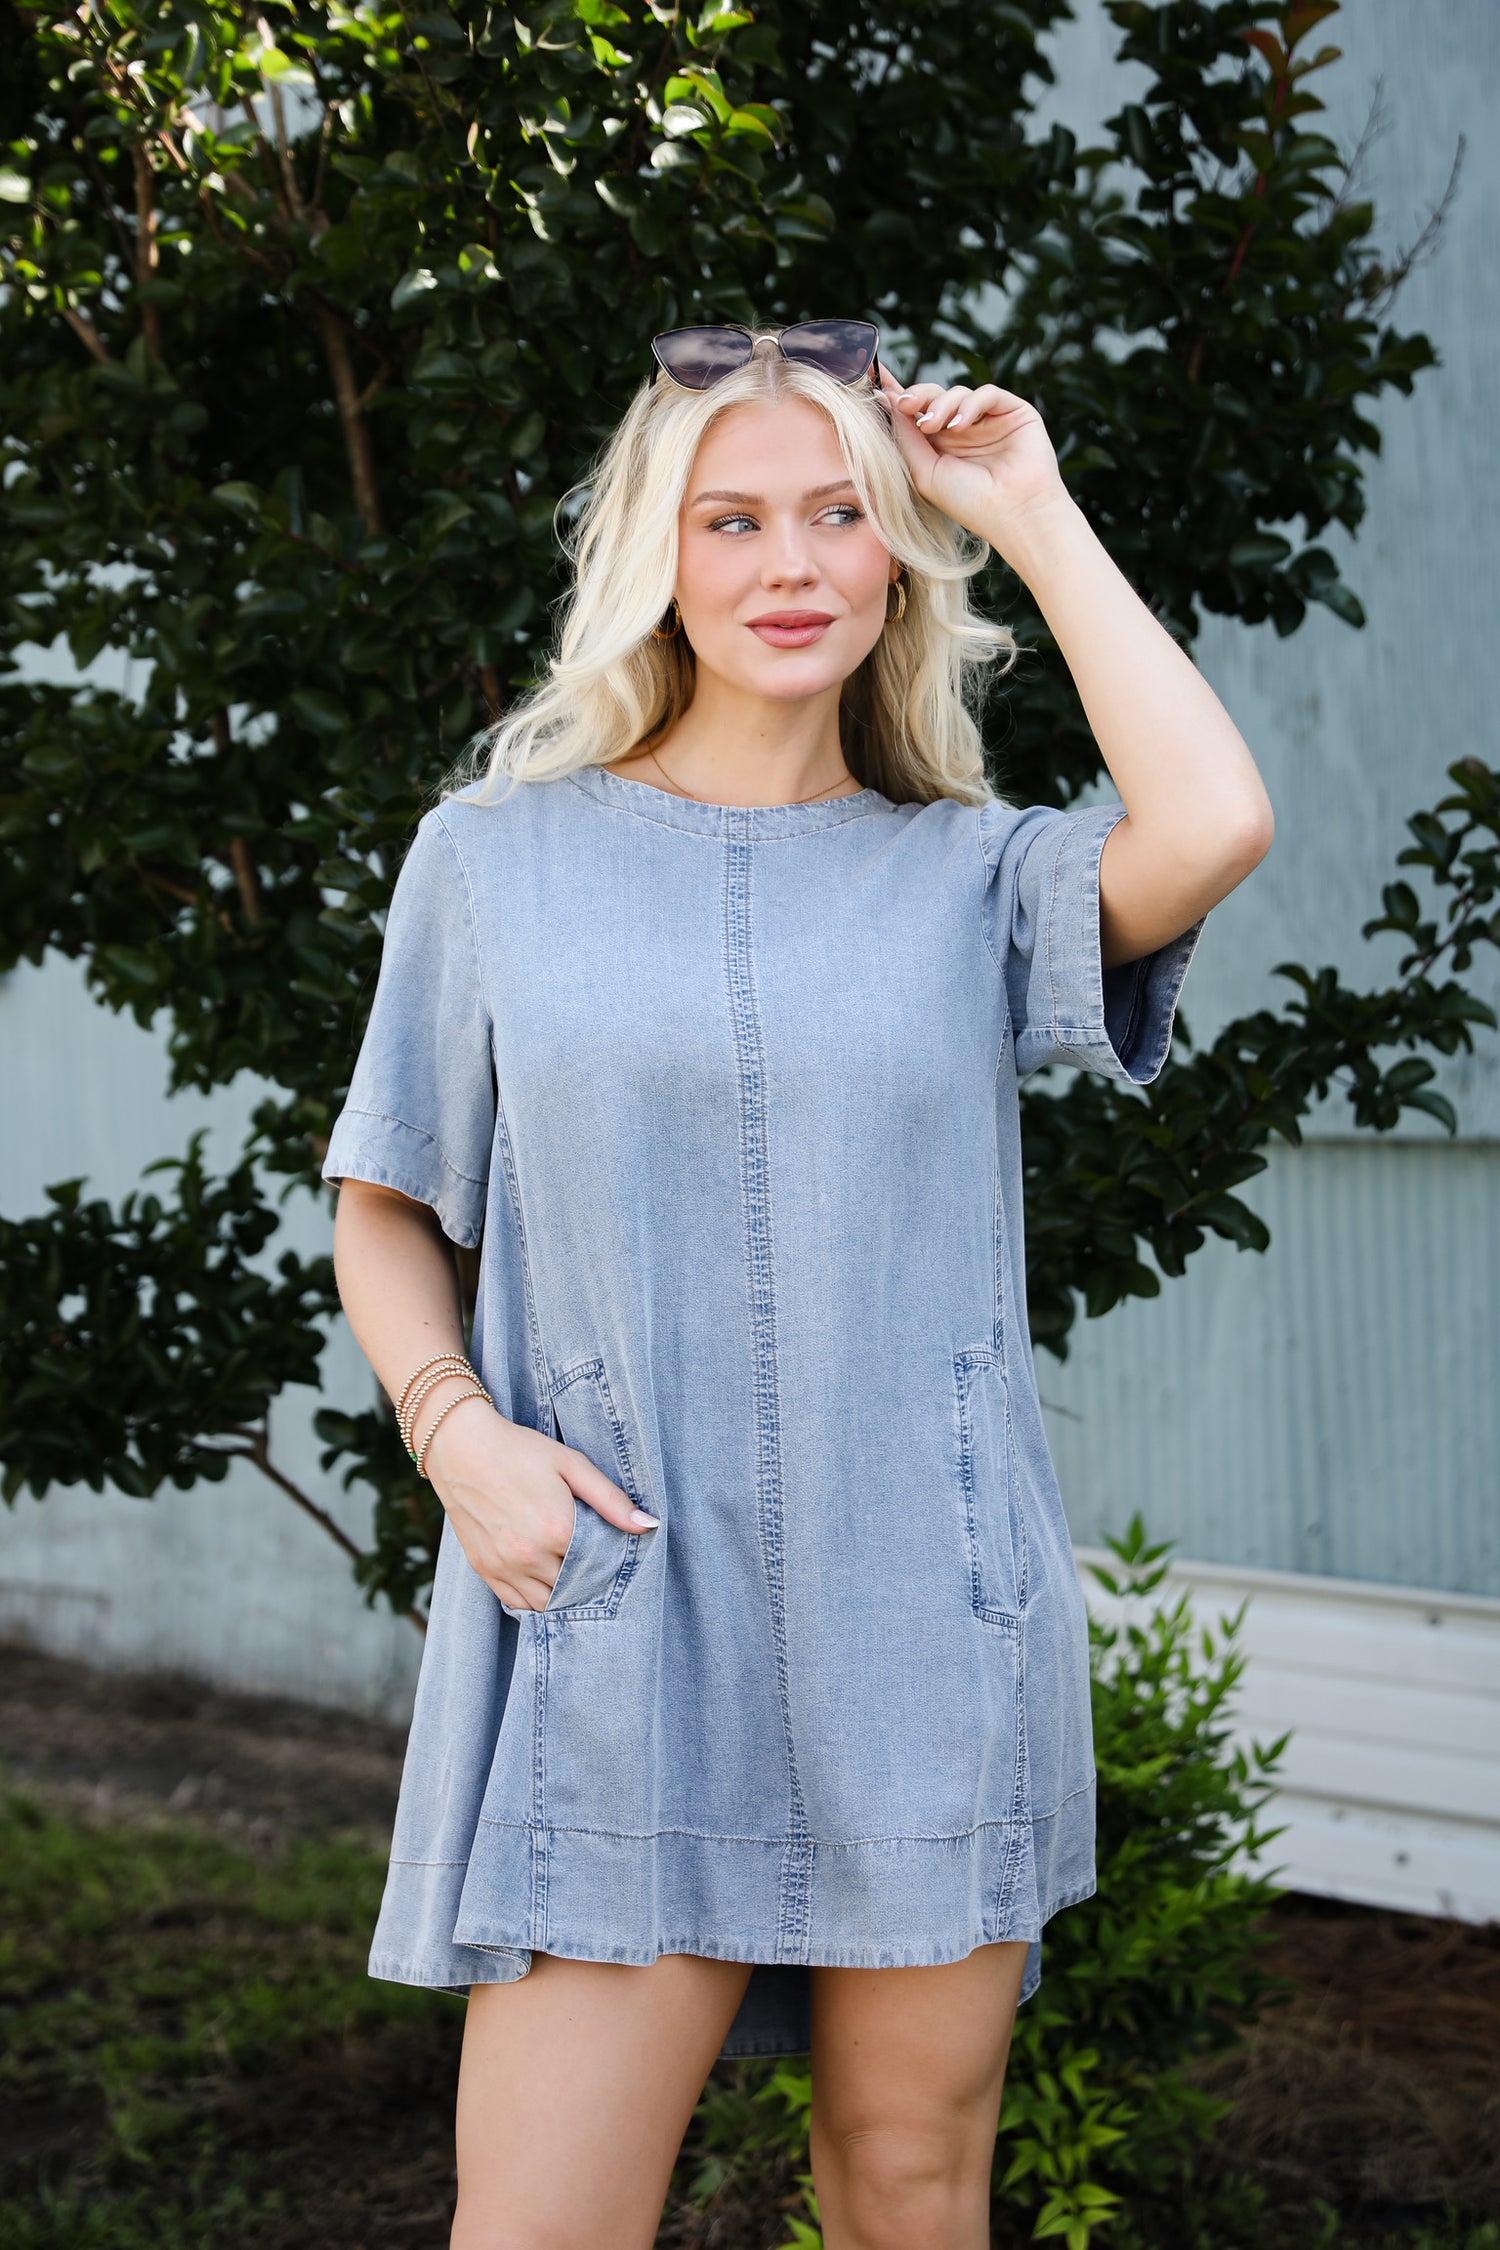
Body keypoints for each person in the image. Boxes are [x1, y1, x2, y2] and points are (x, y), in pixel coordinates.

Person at [323, 318, 1273, 2250]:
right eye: (734, 519)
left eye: (843, 515)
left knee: (910, 2189)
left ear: (899, 557)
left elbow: (1213, 825)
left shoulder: (973, 877)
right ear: (657, 556)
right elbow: (389, 1197)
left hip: (925, 1633)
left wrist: (1029, 507)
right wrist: (456, 1434)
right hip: (623, 1623)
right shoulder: (495, 860)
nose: (792, 565)